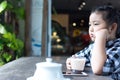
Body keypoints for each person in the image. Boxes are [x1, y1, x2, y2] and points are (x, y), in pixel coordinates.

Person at [66, 5, 120, 79]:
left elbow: (98, 69)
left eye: (96, 24)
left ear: (112, 27)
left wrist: (100, 37)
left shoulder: (118, 48)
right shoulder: (93, 47)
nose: (91, 29)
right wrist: (70, 61)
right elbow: (77, 58)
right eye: (89, 25)